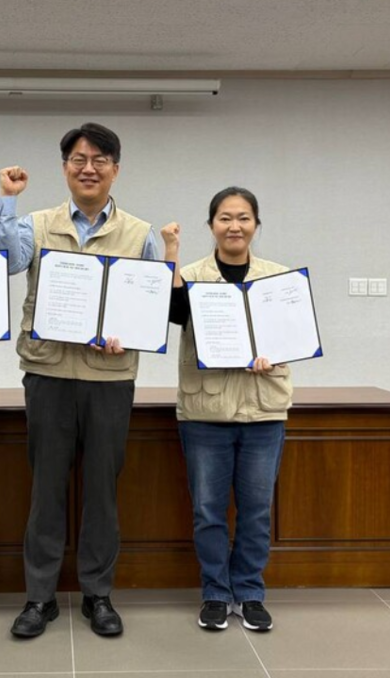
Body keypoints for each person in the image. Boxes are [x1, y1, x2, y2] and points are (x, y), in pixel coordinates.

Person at [0, 122, 162, 638]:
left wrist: (128, 337)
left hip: (110, 377)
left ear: (115, 169)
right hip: (48, 372)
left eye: (100, 160)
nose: (89, 168)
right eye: (79, 160)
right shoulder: (37, 224)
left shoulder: (141, 233)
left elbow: (149, 307)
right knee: (46, 488)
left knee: (101, 491)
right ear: (65, 168)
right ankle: (39, 598)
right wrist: (8, 201)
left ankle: (98, 595)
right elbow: (7, 261)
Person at [161, 186, 292, 633]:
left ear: (256, 224)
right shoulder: (191, 276)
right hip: (205, 413)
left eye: (243, 218)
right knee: (208, 511)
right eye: (224, 218)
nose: (234, 226)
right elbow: (171, 313)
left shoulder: (277, 279)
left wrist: (275, 355)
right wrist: (171, 251)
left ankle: (250, 593)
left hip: (263, 411)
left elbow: (292, 335)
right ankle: (216, 593)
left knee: (256, 512)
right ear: (211, 225)